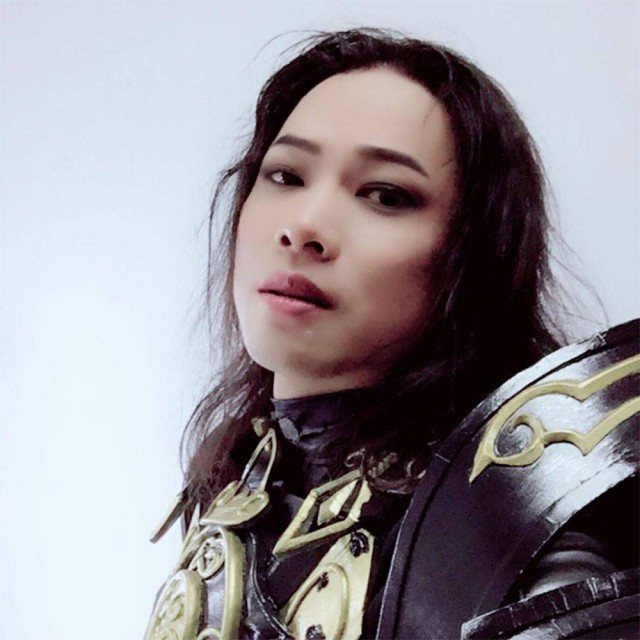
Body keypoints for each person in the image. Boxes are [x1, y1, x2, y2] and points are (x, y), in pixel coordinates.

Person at [144, 29, 639, 639]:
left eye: (385, 195)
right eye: (286, 176)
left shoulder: (517, 545)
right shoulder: (239, 481)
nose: (303, 227)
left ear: (469, 257)